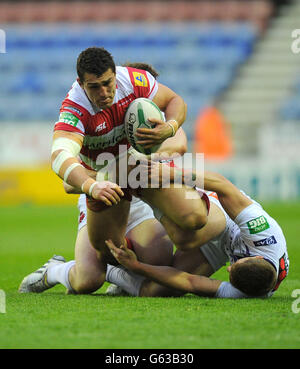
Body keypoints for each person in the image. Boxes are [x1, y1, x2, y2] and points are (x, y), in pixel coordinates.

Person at [18, 61, 192, 294]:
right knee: (88, 281)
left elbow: (179, 145)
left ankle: (122, 279)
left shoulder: (153, 118)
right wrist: (115, 173)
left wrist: (142, 156)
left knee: (158, 261)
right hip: (106, 195)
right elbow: (68, 184)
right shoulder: (93, 117)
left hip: (142, 200)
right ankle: (55, 270)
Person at [105, 166, 289, 299]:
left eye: (230, 272)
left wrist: (136, 266)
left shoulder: (248, 291)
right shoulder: (264, 234)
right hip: (227, 219)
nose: (228, 267)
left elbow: (190, 282)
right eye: (236, 264)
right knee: (185, 239)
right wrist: (175, 173)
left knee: (158, 291)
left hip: (224, 248)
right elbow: (223, 186)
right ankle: (141, 189)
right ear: (257, 258)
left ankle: (107, 271)